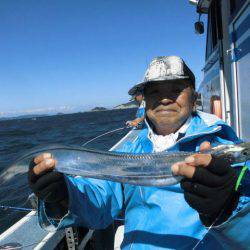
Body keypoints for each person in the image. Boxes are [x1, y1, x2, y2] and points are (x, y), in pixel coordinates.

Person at [28, 56, 250, 249]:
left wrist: (229, 209)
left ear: (193, 97)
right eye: (155, 92)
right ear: (145, 101)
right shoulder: (130, 149)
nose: (165, 98)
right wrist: (65, 195)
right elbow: (100, 203)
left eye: (176, 90)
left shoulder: (226, 149)